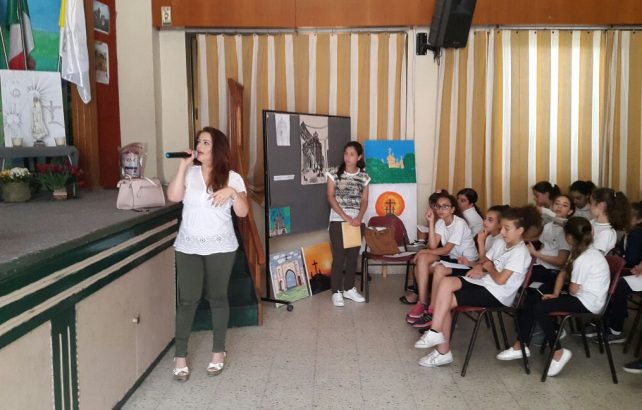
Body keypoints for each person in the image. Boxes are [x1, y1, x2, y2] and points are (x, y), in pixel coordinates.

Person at [167, 127, 249, 381]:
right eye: (198, 141)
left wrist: (232, 192)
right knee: (187, 300)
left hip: (221, 246)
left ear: (217, 148)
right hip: (188, 245)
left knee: (217, 297)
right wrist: (183, 165)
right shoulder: (189, 173)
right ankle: (180, 356)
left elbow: (243, 212)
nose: (199, 146)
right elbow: (173, 196)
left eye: (206, 142)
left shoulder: (232, 177)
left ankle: (218, 351)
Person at [413, 206, 540, 367]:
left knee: (445, 300)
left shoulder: (520, 252)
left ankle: (441, 349)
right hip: (485, 283)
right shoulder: (501, 242)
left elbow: (500, 280)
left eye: (507, 229)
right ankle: (436, 333)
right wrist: (480, 266)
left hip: (498, 294)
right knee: (445, 285)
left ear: (520, 231)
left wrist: (488, 267)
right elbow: (484, 261)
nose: (502, 232)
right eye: (502, 228)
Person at [496, 217, 610, 377]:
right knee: (534, 297)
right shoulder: (580, 251)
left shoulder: (584, 258)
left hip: (588, 303)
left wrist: (559, 295)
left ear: (568, 237)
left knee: (540, 307)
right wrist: (556, 294)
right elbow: (563, 273)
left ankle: (558, 352)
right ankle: (520, 345)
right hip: (582, 295)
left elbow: (573, 290)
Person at [426, 204, 509, 327]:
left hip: (488, 280)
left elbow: (486, 265)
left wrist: (480, 243)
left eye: (490, 220)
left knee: (444, 281)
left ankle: (436, 320)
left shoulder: (500, 240)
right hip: (480, 273)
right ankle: (434, 315)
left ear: (500, 224)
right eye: (485, 218)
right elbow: (482, 263)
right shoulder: (490, 237)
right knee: (439, 271)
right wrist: (469, 263)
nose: (485, 222)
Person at [407, 193, 478, 329]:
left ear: (453, 209)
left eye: (445, 206)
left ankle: (432, 311)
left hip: (466, 262)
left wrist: (423, 251)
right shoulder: (440, 222)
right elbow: (433, 246)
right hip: (452, 258)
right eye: (438, 206)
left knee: (429, 262)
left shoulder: (459, 223)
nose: (440, 209)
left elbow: (445, 250)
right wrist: (431, 222)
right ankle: (422, 303)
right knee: (422, 260)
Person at [326, 141, 370, 307]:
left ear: (359, 157)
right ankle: (336, 291)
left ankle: (349, 288)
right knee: (339, 257)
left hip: (357, 222)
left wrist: (358, 218)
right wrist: (345, 216)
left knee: (352, 258)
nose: (348, 157)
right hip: (338, 221)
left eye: (352, 154)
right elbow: (330, 197)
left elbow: (364, 200)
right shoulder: (333, 173)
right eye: (346, 153)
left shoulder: (364, 177)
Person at [526, 195, 575, 289]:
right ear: (552, 206)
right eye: (557, 203)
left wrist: (536, 253)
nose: (559, 207)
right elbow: (543, 246)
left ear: (570, 211)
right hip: (538, 266)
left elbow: (560, 261)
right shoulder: (548, 225)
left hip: (551, 271)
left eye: (564, 205)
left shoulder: (567, 230)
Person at [589, 188, 630, 255]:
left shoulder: (607, 232)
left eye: (591, 203)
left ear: (602, 205)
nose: (589, 206)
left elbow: (594, 255)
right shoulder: (591, 222)